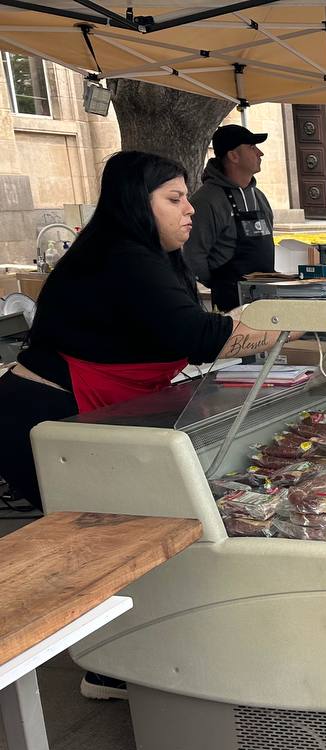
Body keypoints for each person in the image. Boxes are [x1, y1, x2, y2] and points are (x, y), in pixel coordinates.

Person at [0, 151, 296, 699]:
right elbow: (201, 338)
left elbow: (188, 326)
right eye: (174, 199)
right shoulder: (122, 256)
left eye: (186, 197)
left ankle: (139, 655)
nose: (190, 210)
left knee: (121, 536)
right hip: (43, 417)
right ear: (138, 203)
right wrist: (294, 322)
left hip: (90, 414)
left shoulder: (153, 256)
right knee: (104, 544)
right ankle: (114, 668)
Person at [184, 124, 274, 311]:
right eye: (252, 147)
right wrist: (221, 284)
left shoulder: (259, 197)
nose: (260, 153)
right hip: (230, 304)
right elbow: (194, 255)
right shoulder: (206, 201)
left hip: (267, 299)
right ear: (233, 156)